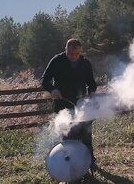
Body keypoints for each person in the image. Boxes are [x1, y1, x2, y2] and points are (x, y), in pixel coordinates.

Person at [41, 38, 98, 173]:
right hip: (62, 105)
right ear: (65, 50)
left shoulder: (85, 63)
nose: (74, 57)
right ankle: (69, 166)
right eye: (71, 54)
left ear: (80, 52)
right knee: (67, 136)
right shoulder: (57, 61)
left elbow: (91, 83)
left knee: (86, 135)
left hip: (82, 105)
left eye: (77, 54)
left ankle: (90, 162)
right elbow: (44, 80)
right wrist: (53, 89)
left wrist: (91, 94)